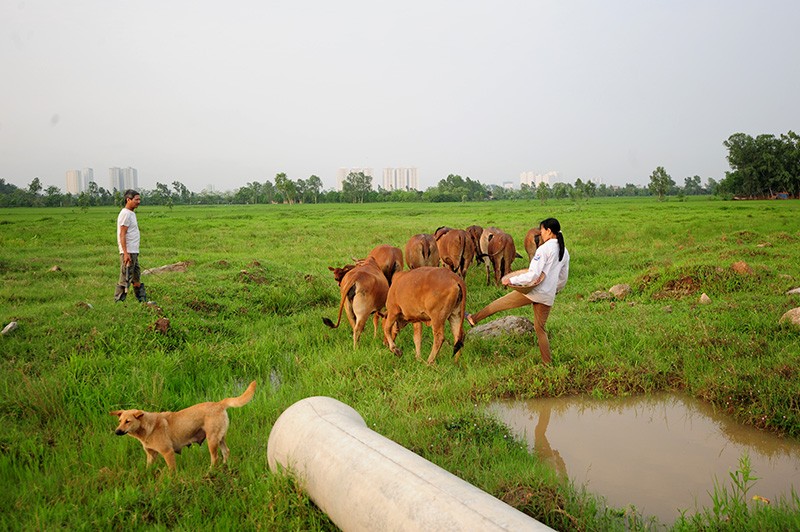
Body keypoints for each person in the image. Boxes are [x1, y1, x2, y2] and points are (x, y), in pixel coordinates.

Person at [466, 218, 569, 364]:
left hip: (534, 291)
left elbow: (533, 275)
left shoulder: (544, 249)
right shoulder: (564, 251)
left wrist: (511, 280)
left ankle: (473, 318)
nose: (541, 234)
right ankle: (547, 364)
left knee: (499, 304)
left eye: (542, 230)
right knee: (540, 330)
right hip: (547, 296)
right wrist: (554, 290)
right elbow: (563, 278)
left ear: (548, 231)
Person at [114, 189, 148, 303]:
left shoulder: (131, 213)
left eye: (139, 199)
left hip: (134, 251)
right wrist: (125, 253)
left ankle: (142, 300)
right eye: (136, 199)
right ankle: (119, 302)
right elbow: (122, 234)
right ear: (128, 200)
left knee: (136, 276)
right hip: (128, 251)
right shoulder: (125, 214)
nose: (139, 202)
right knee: (125, 277)